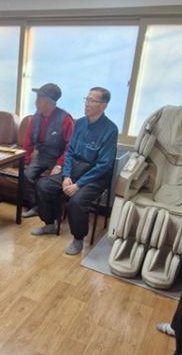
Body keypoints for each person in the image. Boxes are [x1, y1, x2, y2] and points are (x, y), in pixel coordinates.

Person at [31, 87, 118, 256]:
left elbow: (104, 165)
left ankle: (78, 238)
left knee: (76, 202)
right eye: (87, 99)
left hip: (95, 176)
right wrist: (66, 176)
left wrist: (78, 185)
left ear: (104, 105)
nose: (87, 104)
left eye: (92, 100)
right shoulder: (79, 123)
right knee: (43, 185)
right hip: (75, 170)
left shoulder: (110, 129)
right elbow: (70, 152)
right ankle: (50, 224)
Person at [21, 83, 74, 218]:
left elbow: (71, 147)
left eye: (39, 99)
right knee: (27, 175)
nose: (36, 102)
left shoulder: (65, 119)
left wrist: (60, 164)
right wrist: (27, 159)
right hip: (42, 155)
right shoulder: (36, 117)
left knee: (49, 183)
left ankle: (54, 213)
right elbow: (28, 140)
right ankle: (36, 206)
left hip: (59, 157)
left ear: (49, 103)